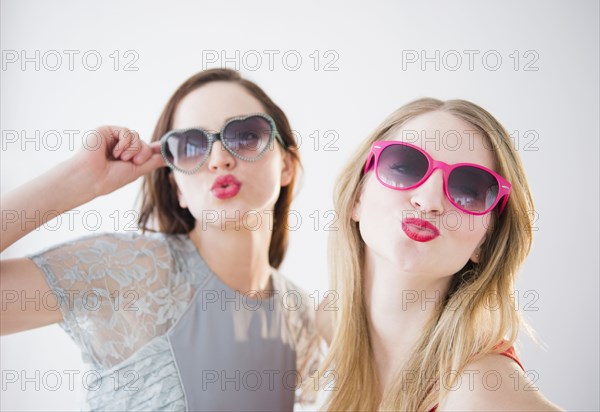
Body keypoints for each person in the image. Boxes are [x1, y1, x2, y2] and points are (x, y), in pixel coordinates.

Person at [1, 68, 320, 411]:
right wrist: (81, 179)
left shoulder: (299, 314)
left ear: (287, 165)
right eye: (192, 146)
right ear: (176, 187)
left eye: (245, 136)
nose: (219, 159)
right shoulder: (126, 272)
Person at [316, 98, 562, 411]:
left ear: (485, 243)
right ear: (357, 198)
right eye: (404, 166)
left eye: (468, 190)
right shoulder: (319, 326)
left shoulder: (480, 389)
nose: (429, 200)